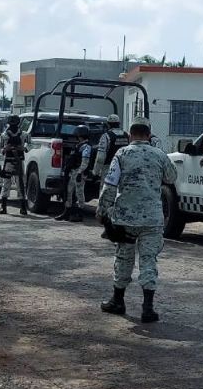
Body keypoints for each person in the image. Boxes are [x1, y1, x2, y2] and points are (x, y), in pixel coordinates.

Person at [97, 117, 177, 324]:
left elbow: (110, 185)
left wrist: (102, 210)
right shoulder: (159, 154)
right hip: (152, 219)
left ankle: (118, 301)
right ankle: (148, 308)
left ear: (130, 135)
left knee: (124, 258)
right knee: (149, 260)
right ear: (148, 136)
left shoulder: (122, 154)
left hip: (126, 219)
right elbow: (171, 177)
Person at [55, 125, 93, 222]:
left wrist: (80, 173)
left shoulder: (86, 147)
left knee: (79, 193)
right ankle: (67, 212)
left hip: (79, 171)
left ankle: (80, 214)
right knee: (69, 191)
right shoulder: (80, 145)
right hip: (73, 171)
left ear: (80, 135)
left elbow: (85, 162)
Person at [0, 114, 30, 215]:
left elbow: (31, 144)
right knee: (6, 183)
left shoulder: (24, 134)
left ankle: (23, 207)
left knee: (21, 183)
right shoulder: (4, 135)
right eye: (11, 124)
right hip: (9, 160)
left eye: (14, 124)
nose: (13, 126)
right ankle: (3, 206)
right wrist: (5, 149)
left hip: (19, 161)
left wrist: (23, 148)